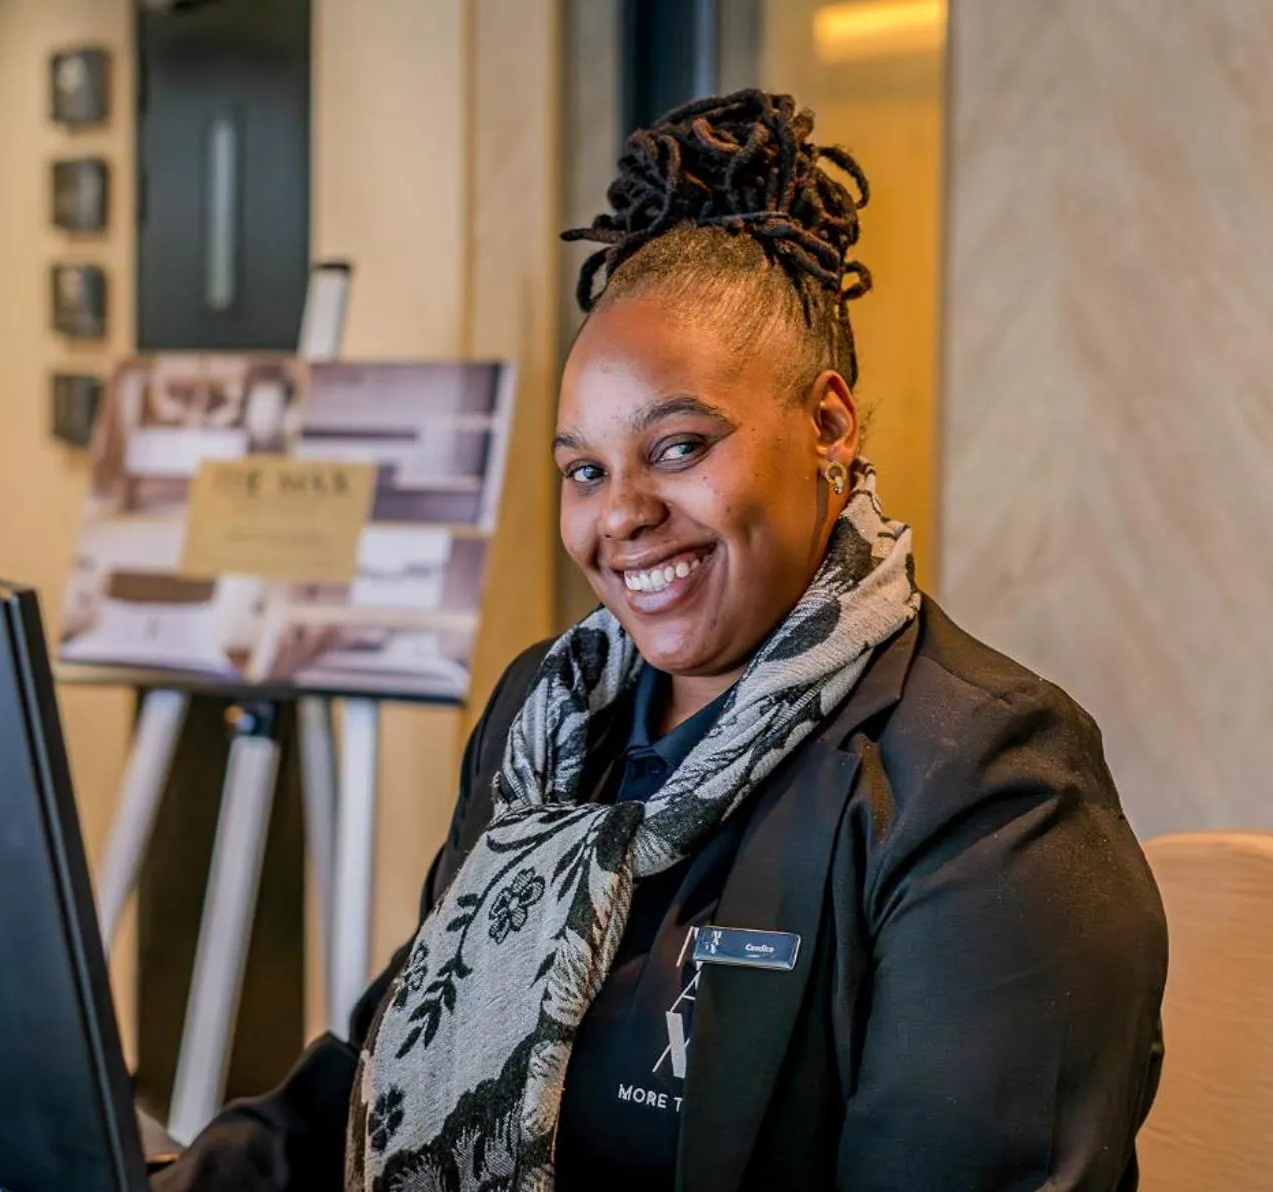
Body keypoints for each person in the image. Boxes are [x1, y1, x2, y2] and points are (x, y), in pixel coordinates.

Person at [153, 89, 1167, 1192]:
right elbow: (378, 1074)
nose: (619, 514)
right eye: (583, 469)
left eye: (677, 448)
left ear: (827, 423)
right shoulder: (548, 716)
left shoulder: (988, 784)